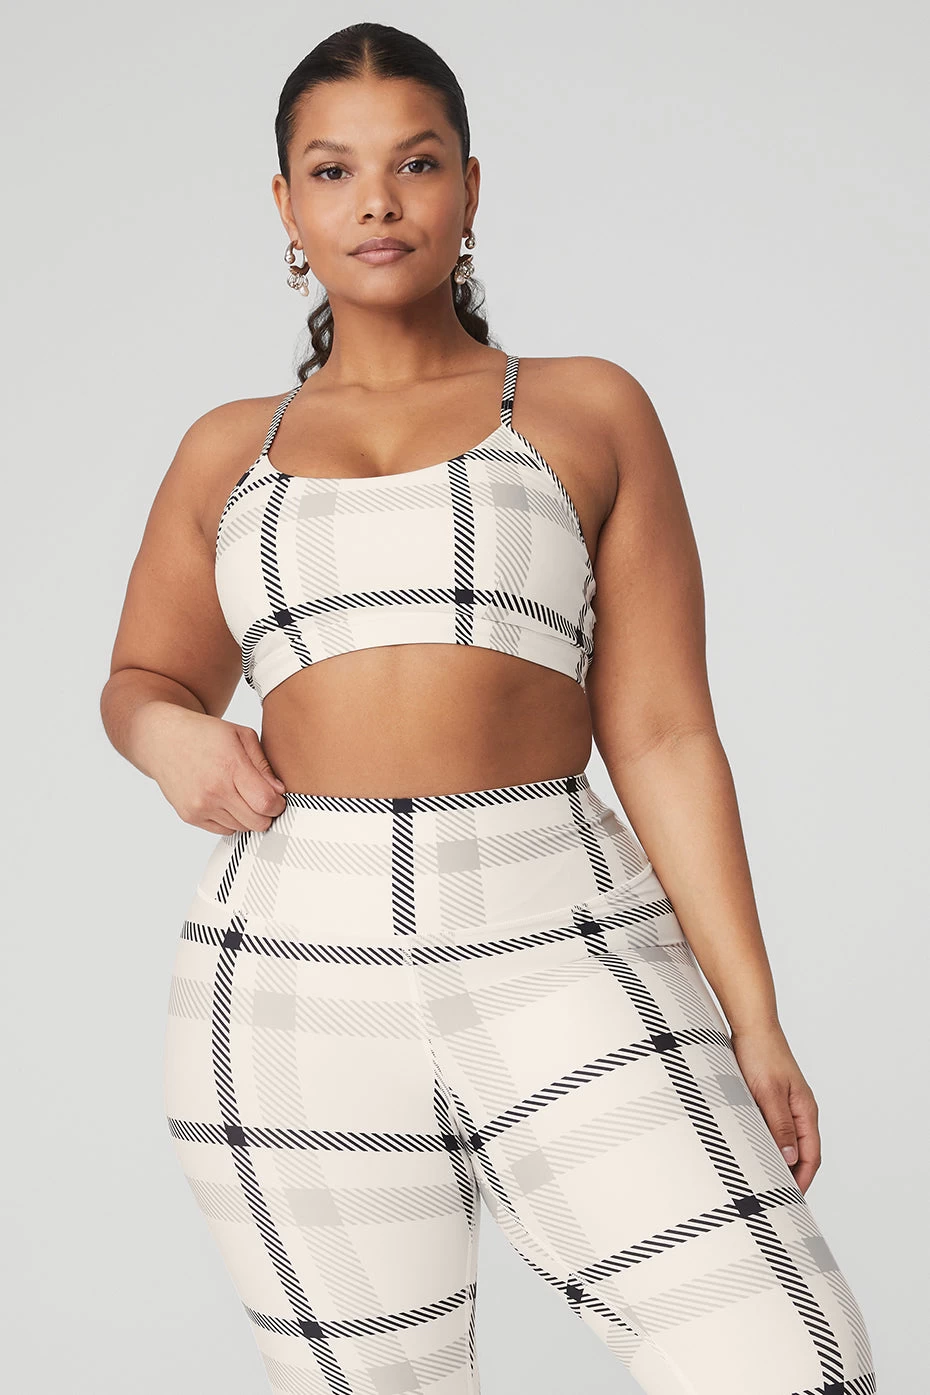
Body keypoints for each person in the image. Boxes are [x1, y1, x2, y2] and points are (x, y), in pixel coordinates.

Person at [100, 21, 877, 1395]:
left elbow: (663, 734)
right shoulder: (228, 450)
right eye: (333, 171)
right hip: (290, 970)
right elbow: (142, 682)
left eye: (415, 163)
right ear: (285, 205)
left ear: (470, 185)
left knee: (789, 1360)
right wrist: (166, 735)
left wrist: (752, 1020)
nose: (376, 202)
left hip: (559, 931)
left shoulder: (586, 410)